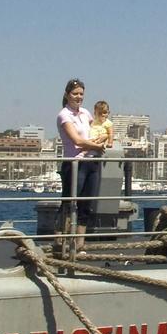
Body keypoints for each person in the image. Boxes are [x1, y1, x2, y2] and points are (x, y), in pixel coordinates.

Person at [54, 79, 104, 233]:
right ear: (67, 95)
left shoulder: (86, 113)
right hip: (74, 164)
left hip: (91, 162)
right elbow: (77, 141)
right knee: (69, 204)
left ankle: (79, 245)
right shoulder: (64, 115)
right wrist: (96, 145)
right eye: (75, 93)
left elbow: (96, 131)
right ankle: (61, 242)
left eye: (81, 94)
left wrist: (101, 138)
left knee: (85, 205)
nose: (78, 97)